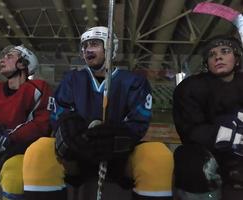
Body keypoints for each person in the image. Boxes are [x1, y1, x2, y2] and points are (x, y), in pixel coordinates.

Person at [22, 26, 174, 200]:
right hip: (77, 154)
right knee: (39, 149)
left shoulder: (134, 81)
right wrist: (69, 131)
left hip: (120, 157)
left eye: (94, 44)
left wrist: (117, 137)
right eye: (85, 46)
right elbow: (60, 114)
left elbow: (138, 122)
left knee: (158, 155)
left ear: (110, 49)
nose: (88, 50)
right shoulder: (72, 79)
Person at [0, 45, 53, 200]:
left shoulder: (38, 88)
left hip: (17, 151)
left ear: (23, 64)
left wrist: (9, 137)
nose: (2, 59)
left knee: (14, 174)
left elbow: (42, 124)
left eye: (9, 56)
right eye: (3, 56)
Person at [173, 35, 243, 200]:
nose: (218, 56)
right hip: (207, 152)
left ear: (237, 58)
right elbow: (191, 130)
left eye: (225, 51)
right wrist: (231, 138)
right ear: (206, 63)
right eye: (211, 54)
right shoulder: (190, 87)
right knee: (190, 160)